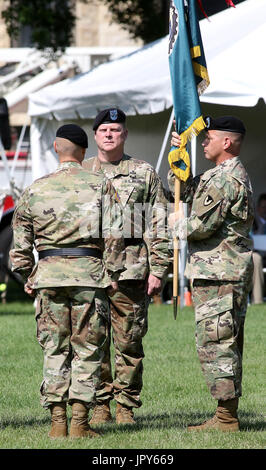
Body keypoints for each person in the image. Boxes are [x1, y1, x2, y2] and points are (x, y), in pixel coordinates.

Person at [10, 124, 125, 439]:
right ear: (84, 151)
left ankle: (57, 422)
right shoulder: (100, 185)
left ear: (56, 149)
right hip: (89, 275)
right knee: (87, 348)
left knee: (54, 348)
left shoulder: (34, 188)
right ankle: (79, 423)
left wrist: (28, 274)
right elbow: (115, 234)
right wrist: (112, 273)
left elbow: (19, 245)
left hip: (48, 276)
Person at [83, 108, 170, 425]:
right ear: (95, 136)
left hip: (131, 271)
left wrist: (159, 268)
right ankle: (100, 404)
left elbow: (158, 223)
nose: (108, 134)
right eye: (103, 129)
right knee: (93, 341)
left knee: (129, 342)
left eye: (115, 129)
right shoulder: (80, 172)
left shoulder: (143, 172)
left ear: (125, 134)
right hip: (89, 272)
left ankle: (126, 408)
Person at [168, 115, 254, 432]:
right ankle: (225, 414)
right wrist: (178, 159)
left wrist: (173, 224)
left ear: (227, 142)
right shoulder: (223, 175)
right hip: (224, 273)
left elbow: (199, 226)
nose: (203, 141)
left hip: (220, 275)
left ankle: (226, 419)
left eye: (209, 137)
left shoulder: (224, 180)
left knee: (217, 344)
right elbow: (186, 189)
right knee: (224, 343)